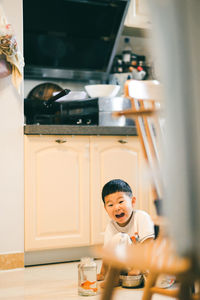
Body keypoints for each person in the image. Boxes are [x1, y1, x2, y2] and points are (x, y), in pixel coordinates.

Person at [97, 179, 155, 282]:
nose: (116, 208)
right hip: (125, 266)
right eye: (110, 205)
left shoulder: (141, 217)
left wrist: (138, 267)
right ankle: (115, 277)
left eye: (121, 202)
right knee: (119, 238)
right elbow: (108, 254)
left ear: (132, 202)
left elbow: (148, 244)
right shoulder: (111, 226)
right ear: (105, 209)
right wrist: (102, 273)